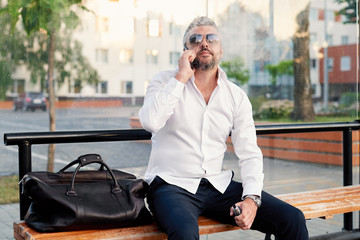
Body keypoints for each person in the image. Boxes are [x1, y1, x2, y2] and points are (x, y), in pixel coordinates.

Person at [138, 16, 309, 240]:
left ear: (221, 50)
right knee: (185, 234)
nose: (204, 43)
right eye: (195, 39)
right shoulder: (164, 82)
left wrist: (251, 199)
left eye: (212, 38)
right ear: (185, 50)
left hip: (217, 186)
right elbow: (150, 121)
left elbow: (249, 153)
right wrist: (181, 76)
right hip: (171, 186)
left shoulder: (235, 96)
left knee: (292, 218)